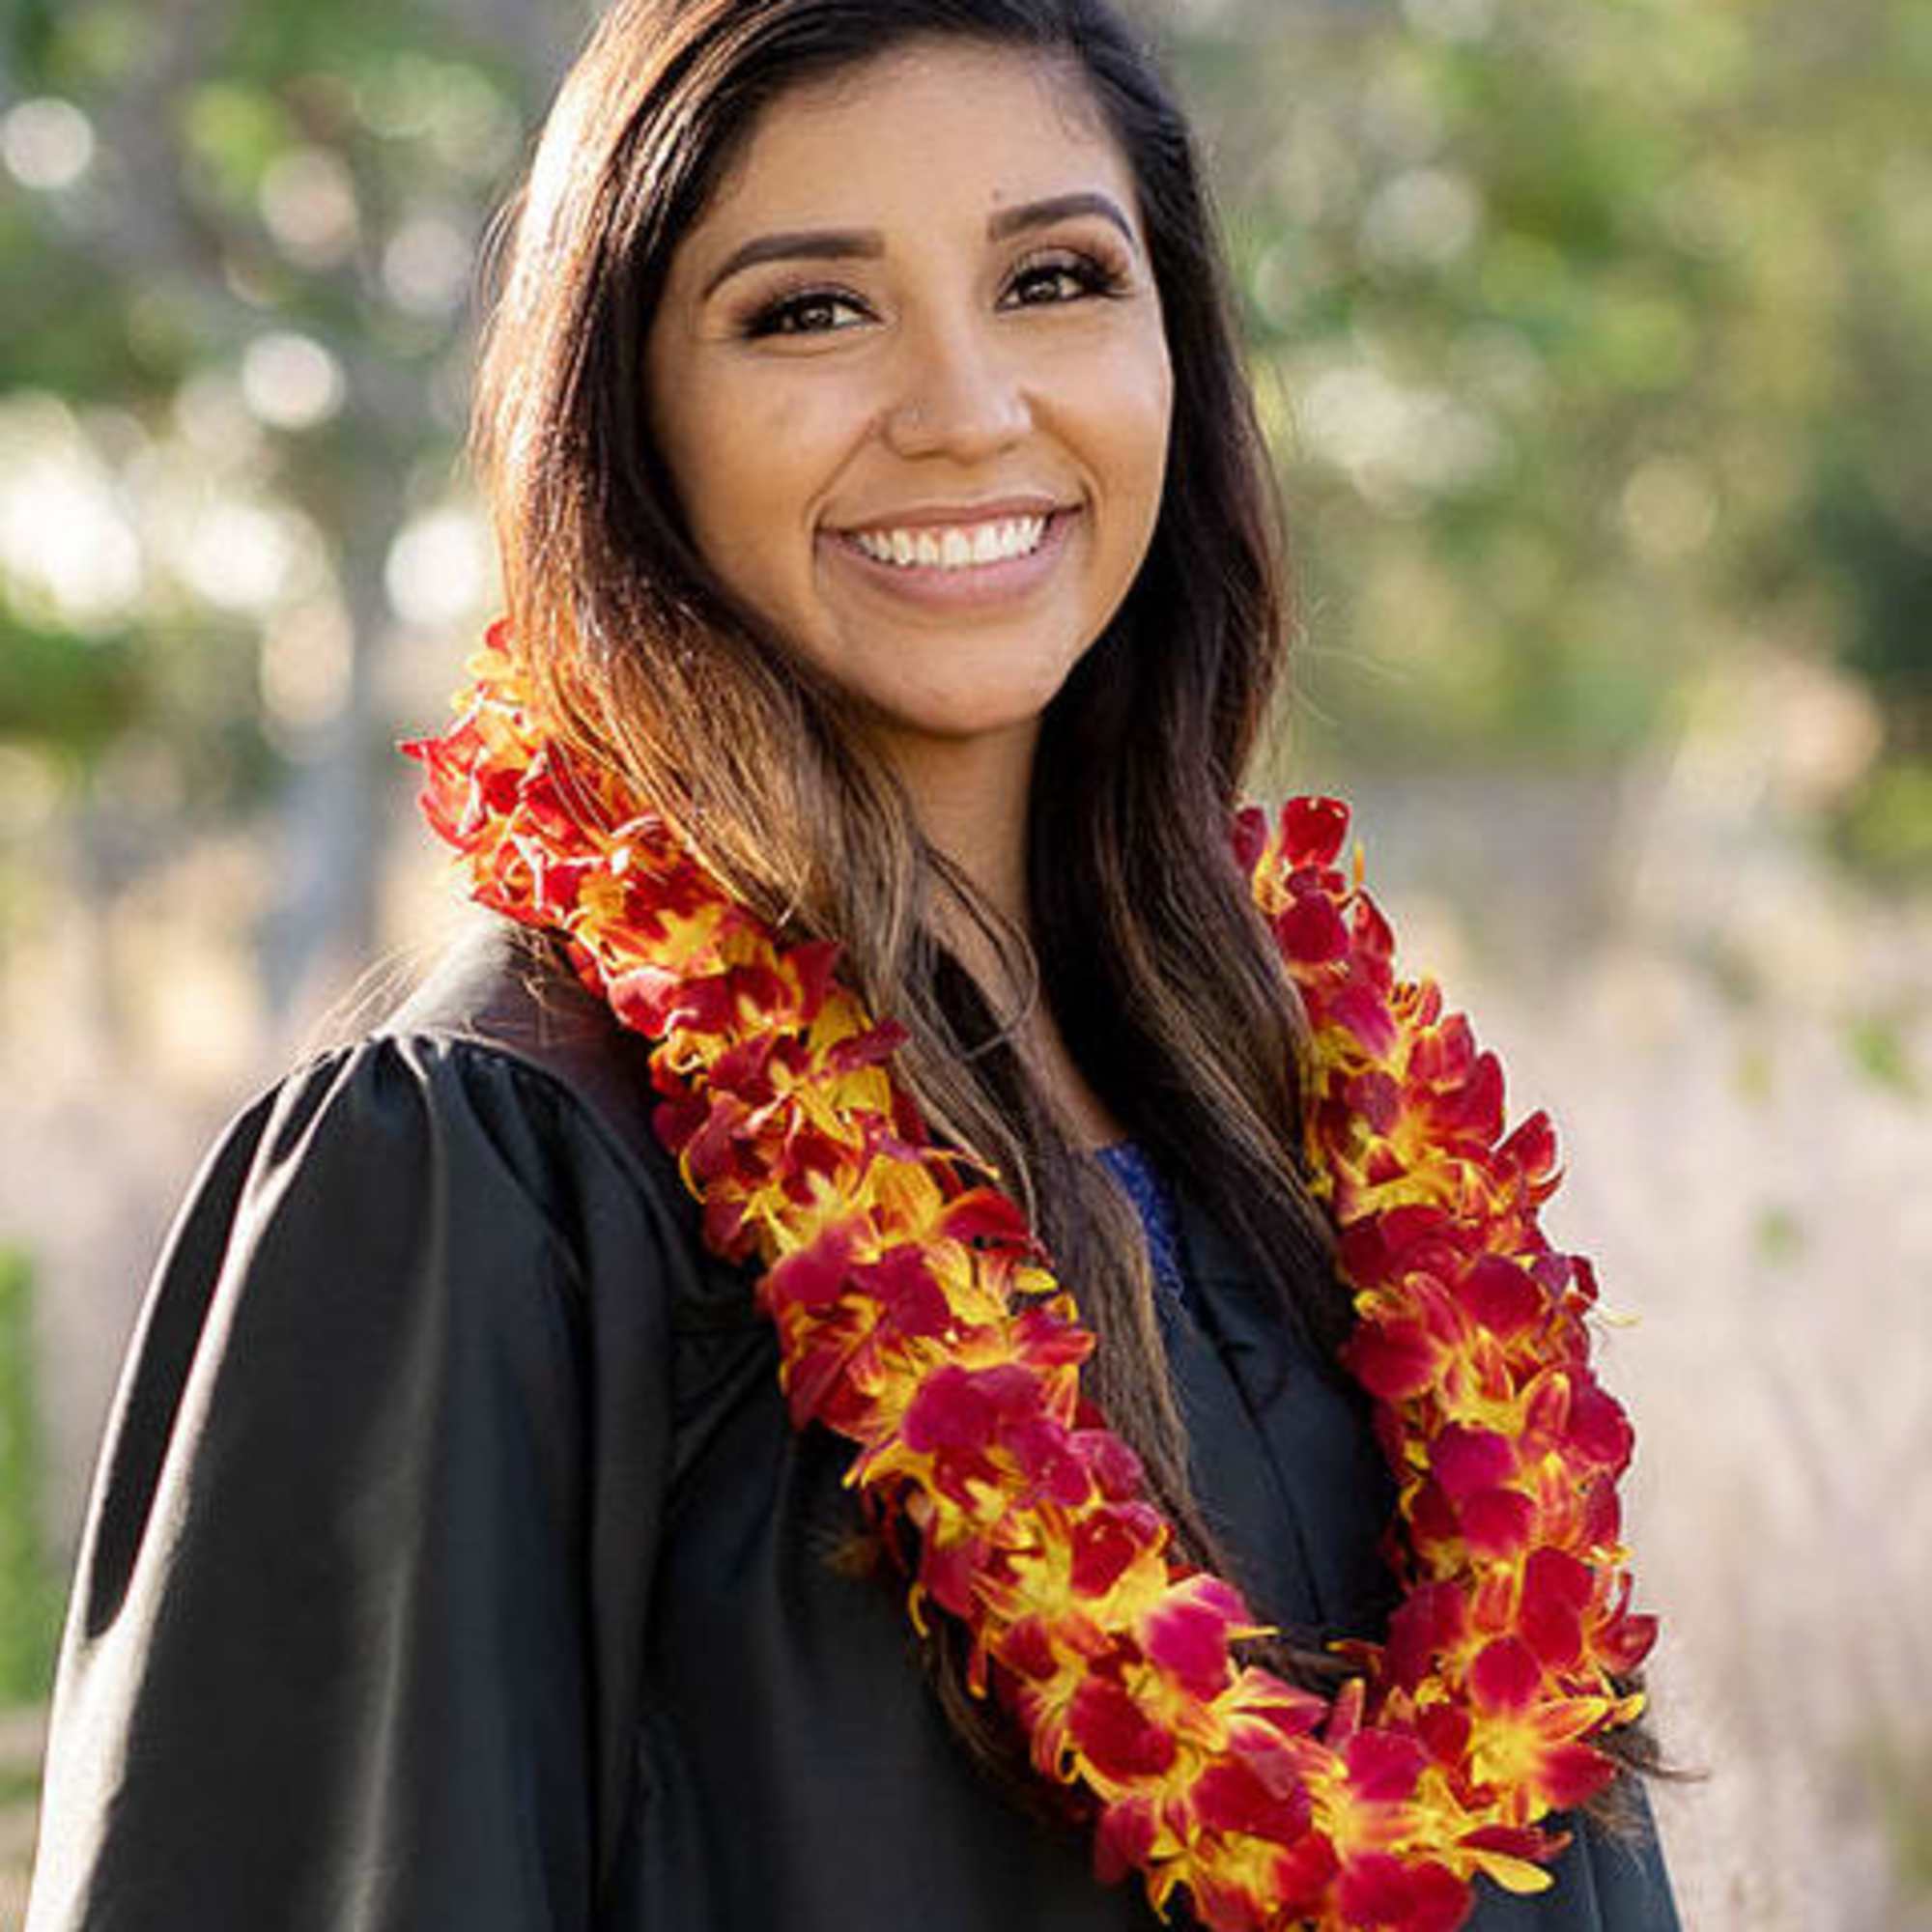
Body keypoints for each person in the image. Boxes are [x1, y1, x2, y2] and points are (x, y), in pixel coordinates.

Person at [24, 1, 1684, 1927]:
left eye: (1054, 278)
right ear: (624, 411)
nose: (968, 405)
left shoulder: (1336, 1136)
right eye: (809, 310)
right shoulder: (483, 1184)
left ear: (1177, 356)